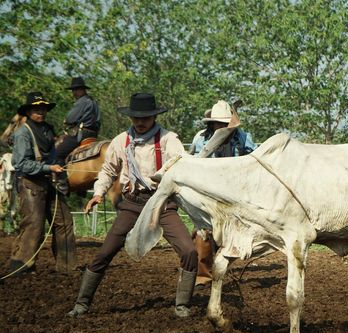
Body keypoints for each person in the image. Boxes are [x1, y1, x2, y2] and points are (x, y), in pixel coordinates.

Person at [68, 93, 197, 318]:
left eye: (145, 117)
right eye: (136, 117)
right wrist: (98, 193)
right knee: (105, 252)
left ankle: (182, 304)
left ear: (154, 117)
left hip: (160, 203)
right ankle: (82, 303)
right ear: (131, 117)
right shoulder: (121, 141)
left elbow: (183, 165)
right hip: (132, 202)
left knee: (189, 250)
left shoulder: (168, 140)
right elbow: (108, 171)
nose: (140, 122)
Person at [188, 100, 256, 289]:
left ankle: (219, 267)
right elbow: (192, 161)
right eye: (218, 123)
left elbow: (255, 158)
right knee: (202, 232)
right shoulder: (201, 139)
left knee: (231, 234)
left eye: (225, 123)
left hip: (234, 192)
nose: (222, 127)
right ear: (211, 123)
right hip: (207, 191)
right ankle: (203, 276)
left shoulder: (242, 137)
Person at [7, 92, 76, 276]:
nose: (41, 111)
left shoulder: (48, 130)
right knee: (34, 225)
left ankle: (67, 268)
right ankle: (21, 268)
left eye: (43, 108)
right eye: (37, 108)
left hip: (49, 181)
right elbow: (20, 163)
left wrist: (57, 169)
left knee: (65, 222)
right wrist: (48, 167)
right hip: (30, 184)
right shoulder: (22, 133)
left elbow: (52, 156)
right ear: (29, 111)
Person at [54, 77, 101, 194]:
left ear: (82, 90)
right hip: (93, 134)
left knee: (57, 153)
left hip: (82, 133)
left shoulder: (82, 102)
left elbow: (70, 118)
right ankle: (81, 188)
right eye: (73, 90)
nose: (74, 92)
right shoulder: (93, 101)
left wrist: (67, 121)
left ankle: (62, 182)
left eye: (76, 90)